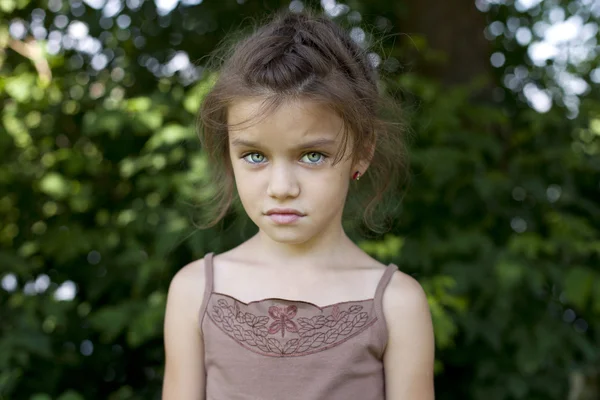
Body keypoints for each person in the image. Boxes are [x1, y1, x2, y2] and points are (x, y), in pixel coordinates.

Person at [162, 7, 434, 400]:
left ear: (362, 152)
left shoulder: (398, 304)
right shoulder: (194, 290)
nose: (282, 187)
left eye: (312, 156)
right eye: (255, 156)